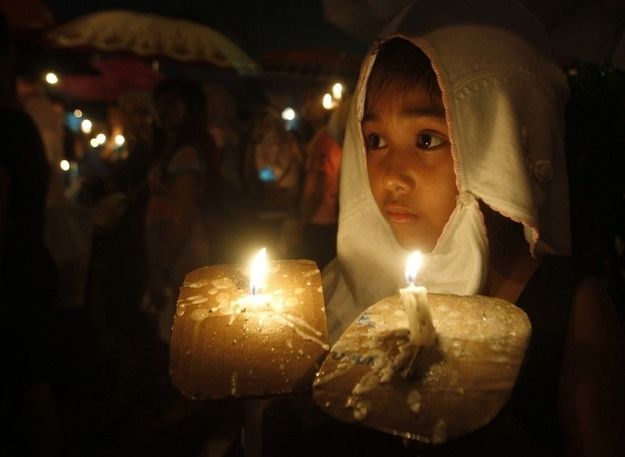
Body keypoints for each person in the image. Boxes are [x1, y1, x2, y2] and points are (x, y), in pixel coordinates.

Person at [319, 0, 625, 455]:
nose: (390, 176)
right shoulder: (351, 294)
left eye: (426, 139)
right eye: (375, 141)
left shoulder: (570, 312)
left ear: (498, 140)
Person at [145, 78, 222, 342]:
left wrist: (160, 267)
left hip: (180, 248)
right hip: (169, 244)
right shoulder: (168, 148)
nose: (163, 111)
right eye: (158, 104)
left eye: (172, 104)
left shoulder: (186, 154)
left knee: (178, 331)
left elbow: (182, 216)